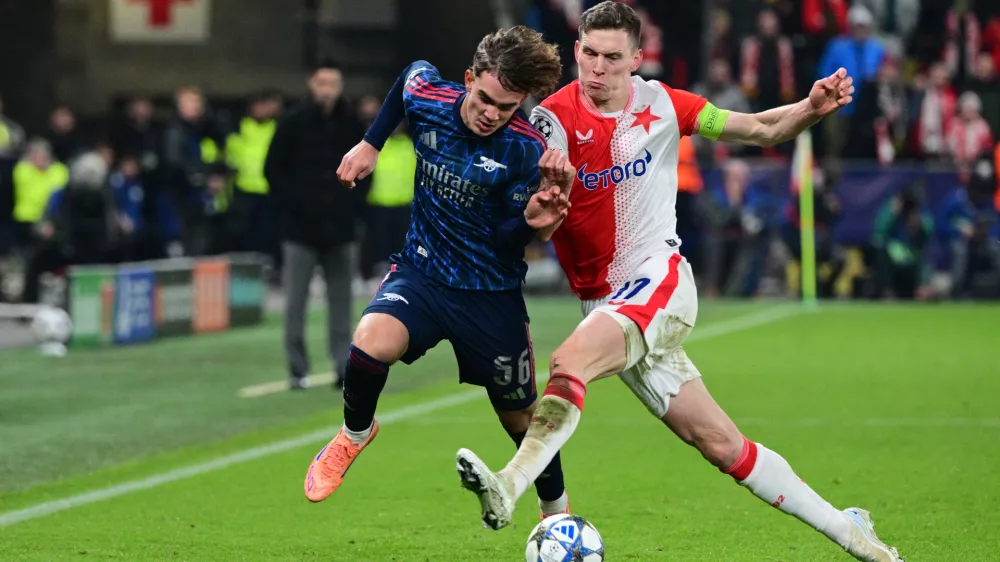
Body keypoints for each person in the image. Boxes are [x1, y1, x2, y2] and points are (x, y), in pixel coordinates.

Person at [454, 3, 904, 561]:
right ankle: (854, 532)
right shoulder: (548, 122)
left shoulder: (663, 103)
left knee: (569, 362)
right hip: (603, 304)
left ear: (637, 58)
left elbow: (760, 128)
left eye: (612, 58)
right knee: (720, 445)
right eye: (588, 54)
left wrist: (810, 109)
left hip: (658, 279)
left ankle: (511, 483)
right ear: (576, 51)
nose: (597, 68)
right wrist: (543, 209)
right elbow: (536, 224)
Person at [303, 26, 576, 521]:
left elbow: (502, 240)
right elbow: (410, 75)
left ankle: (556, 512)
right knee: (370, 340)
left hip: (489, 293)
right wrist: (371, 143)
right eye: (486, 98)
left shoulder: (524, 150)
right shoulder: (429, 97)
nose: (492, 113)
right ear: (469, 79)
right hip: (422, 273)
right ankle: (355, 433)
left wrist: (531, 223)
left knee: (520, 417)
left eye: (507, 107)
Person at [264, 59, 366, 391]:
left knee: (342, 304)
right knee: (295, 303)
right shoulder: (292, 122)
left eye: (333, 84)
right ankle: (297, 370)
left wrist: (352, 206)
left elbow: (367, 169)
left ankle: (341, 366)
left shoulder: (351, 124)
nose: (327, 90)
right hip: (300, 229)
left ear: (340, 86)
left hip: (340, 228)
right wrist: (294, 204)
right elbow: (272, 170)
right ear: (312, 84)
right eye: (322, 83)